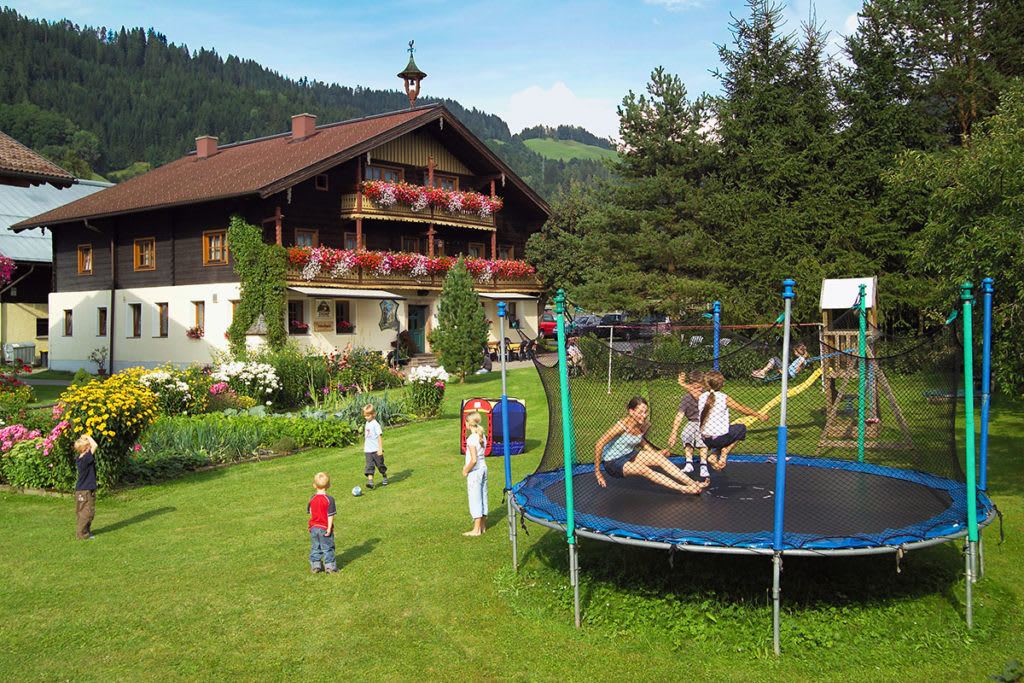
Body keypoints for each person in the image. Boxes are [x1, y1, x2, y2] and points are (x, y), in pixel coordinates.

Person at [594, 397, 708, 494]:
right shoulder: (622, 426)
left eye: (646, 412)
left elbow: (642, 443)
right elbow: (599, 444)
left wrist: (656, 454)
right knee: (644, 470)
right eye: (640, 412)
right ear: (631, 412)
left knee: (660, 459)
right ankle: (684, 489)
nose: (644, 415)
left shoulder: (644, 425)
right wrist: (598, 472)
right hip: (612, 461)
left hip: (629, 454)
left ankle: (692, 483)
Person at [698, 371, 768, 471]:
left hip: (705, 439)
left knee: (725, 431)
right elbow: (742, 409)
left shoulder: (701, 397)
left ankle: (715, 455)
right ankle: (725, 451)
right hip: (719, 438)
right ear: (722, 384)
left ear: (706, 384)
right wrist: (759, 415)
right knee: (741, 428)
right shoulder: (723, 397)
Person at [667, 370, 711, 479]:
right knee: (686, 434)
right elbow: (680, 415)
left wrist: (682, 384)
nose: (698, 390)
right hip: (692, 422)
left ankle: (703, 465)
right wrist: (674, 433)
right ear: (690, 385)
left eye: (700, 387)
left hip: (705, 422)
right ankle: (689, 463)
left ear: (704, 385)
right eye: (695, 387)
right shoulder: (686, 398)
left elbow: (699, 396)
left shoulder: (706, 395)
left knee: (702, 439)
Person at [461, 411, 489, 536]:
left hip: (475, 472)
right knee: (483, 496)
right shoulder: (482, 436)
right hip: (483, 469)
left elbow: (473, 460)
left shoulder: (472, 439)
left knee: (475, 498)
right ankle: (483, 526)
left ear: (468, 423)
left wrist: (466, 470)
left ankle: (476, 530)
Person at [307, 472, 337, 574]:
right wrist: (329, 528)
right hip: (324, 527)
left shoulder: (312, 498)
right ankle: (330, 567)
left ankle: (315, 566)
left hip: (314, 527)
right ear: (329, 485)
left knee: (316, 547)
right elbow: (330, 515)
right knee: (328, 547)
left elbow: (311, 512)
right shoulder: (329, 500)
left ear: (314, 485)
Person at [73, 434, 99, 540]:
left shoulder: (79, 458)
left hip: (80, 490)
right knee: (87, 512)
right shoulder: (85, 459)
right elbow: (95, 445)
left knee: (82, 511)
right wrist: (88, 436)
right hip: (85, 490)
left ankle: (85, 531)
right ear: (85, 449)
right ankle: (82, 534)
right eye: (88, 447)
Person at [362, 404, 387, 489]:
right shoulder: (367, 423)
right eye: (365, 416)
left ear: (373, 414)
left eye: (368, 416)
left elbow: (379, 436)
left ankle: (384, 475)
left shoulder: (375, 424)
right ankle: (371, 482)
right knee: (369, 466)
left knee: (380, 466)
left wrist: (380, 449)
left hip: (376, 450)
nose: (366, 418)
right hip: (368, 450)